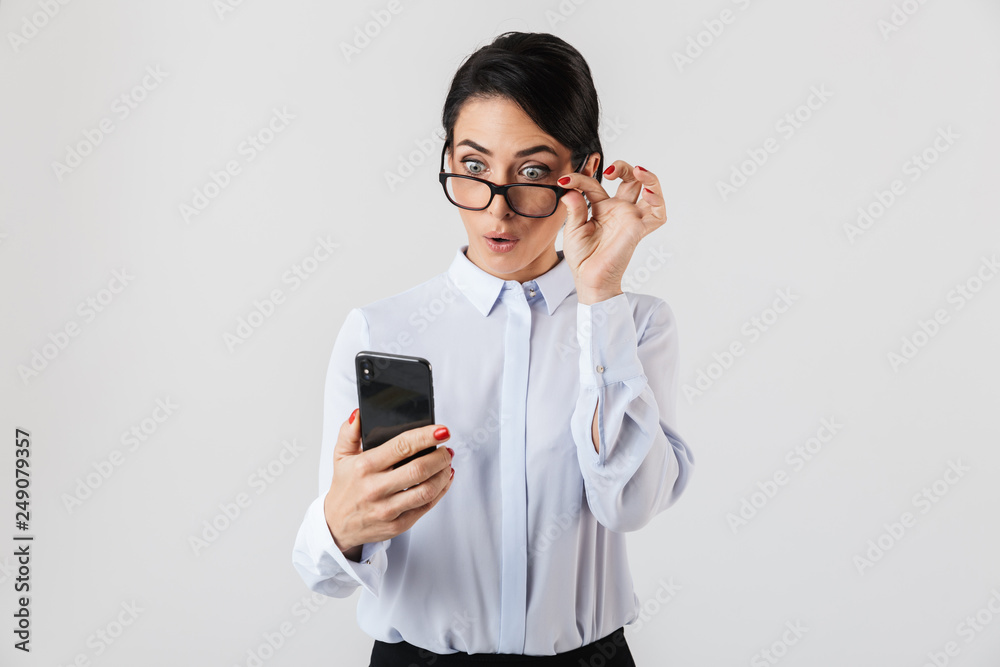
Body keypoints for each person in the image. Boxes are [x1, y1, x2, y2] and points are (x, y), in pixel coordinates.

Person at [292, 31, 694, 666]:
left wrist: (600, 297)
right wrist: (341, 526)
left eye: (533, 173)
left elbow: (630, 504)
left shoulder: (636, 325)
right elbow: (327, 575)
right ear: (449, 157)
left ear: (585, 173)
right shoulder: (383, 332)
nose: (495, 211)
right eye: (474, 168)